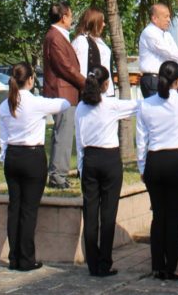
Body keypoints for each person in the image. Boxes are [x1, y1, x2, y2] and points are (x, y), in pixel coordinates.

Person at [0, 61, 71, 271]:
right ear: (30, 80)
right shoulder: (36, 102)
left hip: (12, 155)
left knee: (15, 208)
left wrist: (5, 155)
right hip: (32, 156)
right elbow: (64, 104)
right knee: (29, 211)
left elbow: (2, 137)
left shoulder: (6, 105)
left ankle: (14, 257)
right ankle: (26, 258)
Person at [136, 60, 178, 280]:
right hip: (177, 161)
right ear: (177, 80)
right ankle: (171, 266)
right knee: (174, 217)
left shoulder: (146, 105)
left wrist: (141, 166)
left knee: (159, 215)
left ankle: (157, 265)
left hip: (154, 161)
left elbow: (141, 140)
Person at [75, 66, 139, 277]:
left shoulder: (80, 108)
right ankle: (105, 262)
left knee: (90, 213)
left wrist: (81, 167)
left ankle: (93, 264)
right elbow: (137, 106)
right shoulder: (111, 105)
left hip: (90, 159)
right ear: (105, 84)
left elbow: (79, 141)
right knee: (108, 214)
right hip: (109, 159)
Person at [43, 1, 86, 188]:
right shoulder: (55, 37)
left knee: (64, 134)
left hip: (66, 92)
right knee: (63, 134)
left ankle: (59, 173)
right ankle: (57, 176)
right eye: (70, 15)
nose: (72, 19)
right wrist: (86, 82)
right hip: (62, 93)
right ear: (63, 17)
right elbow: (65, 67)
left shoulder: (59, 36)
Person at [72, 7, 114, 96]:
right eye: (102, 21)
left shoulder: (97, 40)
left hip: (105, 92)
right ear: (95, 22)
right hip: (92, 95)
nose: (104, 24)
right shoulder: (82, 41)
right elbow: (81, 71)